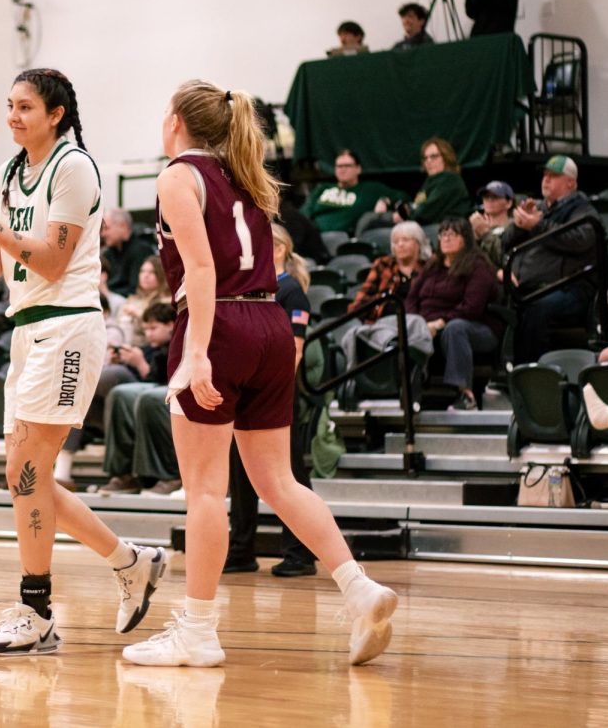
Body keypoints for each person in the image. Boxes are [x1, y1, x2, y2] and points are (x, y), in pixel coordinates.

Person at [120, 79, 396, 669]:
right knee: (280, 482)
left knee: (205, 492)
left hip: (218, 327)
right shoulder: (249, 175)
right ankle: (358, 587)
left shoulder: (177, 176)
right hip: (270, 326)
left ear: (175, 123)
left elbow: (199, 267)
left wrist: (195, 353)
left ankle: (196, 630)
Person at [0, 67, 165, 657]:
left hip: (68, 325)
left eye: (25, 106)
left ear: (57, 114)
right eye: (9, 105)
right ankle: (131, 562)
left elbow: (51, 262)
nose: (13, 116)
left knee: (26, 472)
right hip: (26, 331)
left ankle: (37, 610)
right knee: (29, 478)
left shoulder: (74, 167)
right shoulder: (7, 171)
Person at [225, 223, 318, 577]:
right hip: (245, 391)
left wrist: (271, 392)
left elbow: (295, 350)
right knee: (240, 472)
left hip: (276, 395)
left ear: (277, 248)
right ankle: (241, 550)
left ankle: (301, 553)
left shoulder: (292, 291)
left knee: (289, 473)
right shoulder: (254, 287)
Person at [502, 155, 600, 364]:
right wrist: (519, 225)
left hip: (570, 288)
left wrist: (538, 226)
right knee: (496, 303)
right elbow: (506, 243)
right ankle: (503, 374)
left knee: (536, 308)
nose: (546, 180)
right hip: (530, 287)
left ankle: (534, 375)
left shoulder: (583, 209)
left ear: (570, 182)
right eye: (545, 175)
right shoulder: (537, 208)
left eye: (553, 176)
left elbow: (579, 241)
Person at [406, 219, 500, 410]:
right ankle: (409, 393)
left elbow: (471, 307)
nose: (446, 238)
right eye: (443, 234)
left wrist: (439, 323)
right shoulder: (433, 265)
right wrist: (417, 322)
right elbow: (411, 298)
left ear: (465, 239)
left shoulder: (477, 266)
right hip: (428, 326)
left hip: (477, 328)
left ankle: (466, 394)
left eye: (452, 234)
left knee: (455, 328)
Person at [92, 302, 179, 496]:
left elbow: (167, 377)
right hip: (155, 387)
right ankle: (125, 473)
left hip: (178, 385)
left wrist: (140, 363)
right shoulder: (149, 348)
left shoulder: (176, 343)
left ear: (171, 325)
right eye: (146, 329)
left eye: (154, 328)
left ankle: (169, 475)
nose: (149, 334)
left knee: (150, 399)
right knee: (119, 393)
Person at [300, 149, 403, 234]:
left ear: (358, 169)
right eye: (339, 166)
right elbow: (303, 213)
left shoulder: (371, 189)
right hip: (314, 235)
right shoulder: (322, 188)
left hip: (344, 237)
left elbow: (403, 196)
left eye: (347, 166)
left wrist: (385, 200)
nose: (342, 169)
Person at [348, 221, 430, 320]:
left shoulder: (429, 268)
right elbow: (360, 301)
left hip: (417, 322)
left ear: (418, 243)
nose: (400, 244)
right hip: (382, 321)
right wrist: (381, 300)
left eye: (405, 240)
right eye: (396, 241)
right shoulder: (384, 265)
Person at [117, 256, 172, 346]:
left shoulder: (166, 302)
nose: (145, 276)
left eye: (152, 272)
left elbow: (161, 331)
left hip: (149, 349)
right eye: (142, 271)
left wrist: (139, 315)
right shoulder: (132, 299)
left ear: (161, 274)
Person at [100, 209, 157, 297]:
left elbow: (136, 290)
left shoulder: (141, 250)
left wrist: (107, 293)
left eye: (107, 228)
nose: (103, 234)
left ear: (123, 226)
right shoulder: (108, 253)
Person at [469, 180, 515, 271]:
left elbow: (502, 257)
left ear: (509, 203)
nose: (489, 200)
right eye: (486, 197)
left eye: (495, 197)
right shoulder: (476, 226)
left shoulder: (514, 227)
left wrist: (485, 233)